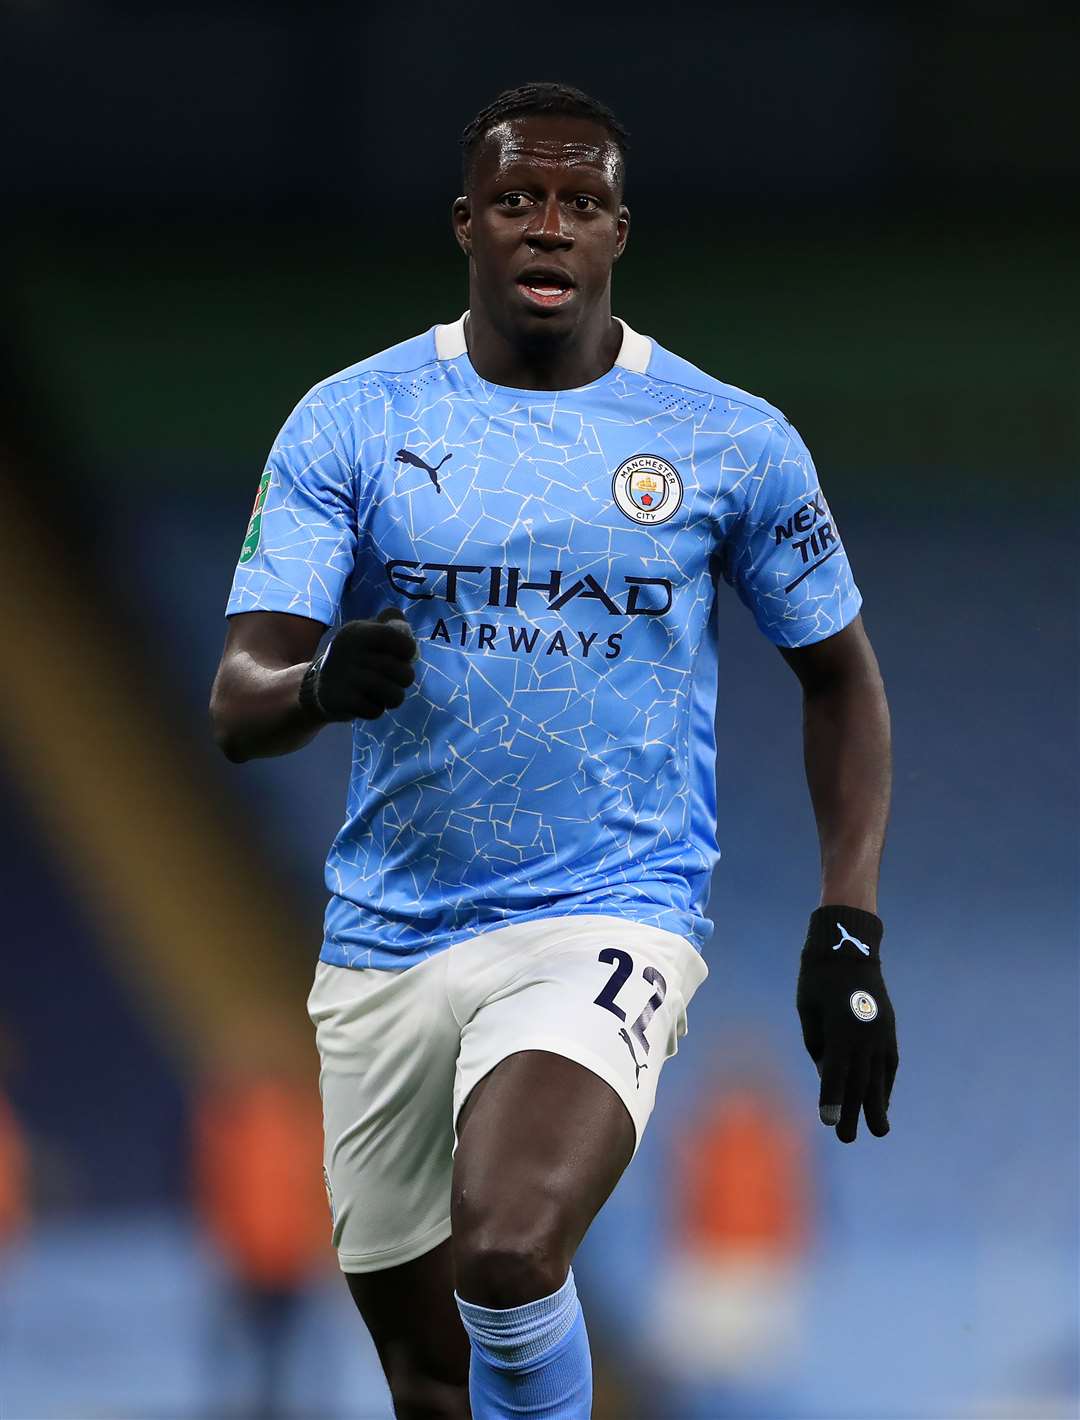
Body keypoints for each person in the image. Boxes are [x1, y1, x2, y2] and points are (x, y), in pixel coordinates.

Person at [209, 81, 899, 1420]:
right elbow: (240, 698)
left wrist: (850, 923)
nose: (547, 225)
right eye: (519, 199)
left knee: (512, 1247)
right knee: (430, 1376)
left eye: (580, 204)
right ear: (466, 222)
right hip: (385, 941)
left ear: (618, 235)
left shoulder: (728, 441)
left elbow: (843, 681)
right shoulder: (349, 422)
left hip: (609, 912)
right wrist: (316, 684)